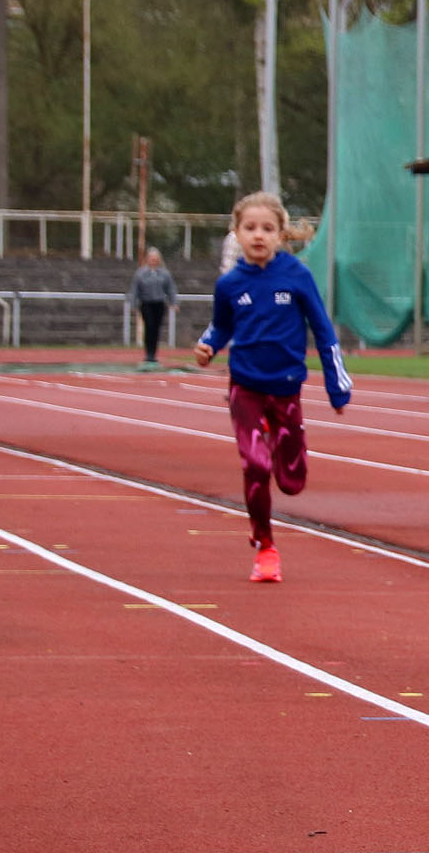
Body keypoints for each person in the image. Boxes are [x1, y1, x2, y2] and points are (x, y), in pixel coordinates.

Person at [194, 191, 351, 583]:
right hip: (245, 387)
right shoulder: (229, 284)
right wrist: (209, 345)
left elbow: (323, 330)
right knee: (255, 465)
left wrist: (337, 386)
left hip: (286, 388)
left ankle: (283, 445)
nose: (258, 235)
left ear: (281, 234)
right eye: (249, 228)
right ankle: (265, 544)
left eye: (267, 228)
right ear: (236, 233)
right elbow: (222, 325)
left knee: (292, 483)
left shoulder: (297, 276)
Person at [128, 247, 178, 367]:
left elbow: (171, 288)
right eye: (151, 258)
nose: (153, 261)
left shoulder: (164, 274)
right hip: (146, 304)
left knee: (156, 329)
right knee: (149, 327)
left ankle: (153, 354)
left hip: (159, 304)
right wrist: (133, 304)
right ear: (147, 259)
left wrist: (174, 302)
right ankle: (148, 354)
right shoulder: (140, 273)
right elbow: (135, 289)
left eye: (155, 259)